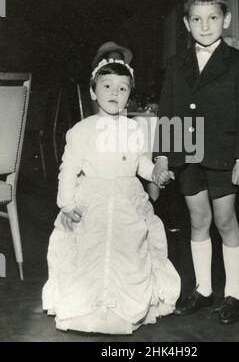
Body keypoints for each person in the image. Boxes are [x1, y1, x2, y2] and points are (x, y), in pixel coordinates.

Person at [42, 58, 180, 334]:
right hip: (92, 200)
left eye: (122, 88)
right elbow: (68, 169)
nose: (114, 93)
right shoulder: (81, 130)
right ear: (93, 91)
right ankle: (86, 308)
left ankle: (124, 308)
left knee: (128, 251)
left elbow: (140, 163)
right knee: (89, 250)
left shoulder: (135, 129)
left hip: (127, 200)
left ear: (130, 94)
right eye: (107, 86)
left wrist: (155, 174)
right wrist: (66, 203)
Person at [153, 0, 239, 325]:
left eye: (212, 18)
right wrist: (162, 156)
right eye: (196, 19)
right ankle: (203, 289)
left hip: (223, 154)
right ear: (186, 24)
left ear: (225, 20)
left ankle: (234, 294)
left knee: (226, 221)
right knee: (198, 221)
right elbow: (168, 112)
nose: (205, 25)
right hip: (187, 153)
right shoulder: (176, 62)